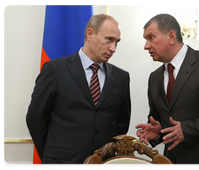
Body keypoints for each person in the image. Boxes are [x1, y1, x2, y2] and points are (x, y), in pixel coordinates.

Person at [26, 14, 131, 164]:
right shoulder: (55, 70)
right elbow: (35, 119)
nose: (113, 48)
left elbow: (121, 125)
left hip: (105, 163)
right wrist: (51, 155)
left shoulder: (121, 77)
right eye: (109, 39)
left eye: (117, 42)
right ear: (90, 34)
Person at [135, 14, 199, 164]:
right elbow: (159, 118)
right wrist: (158, 131)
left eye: (151, 37)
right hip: (172, 161)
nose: (146, 46)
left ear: (171, 36)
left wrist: (188, 130)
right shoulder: (154, 78)